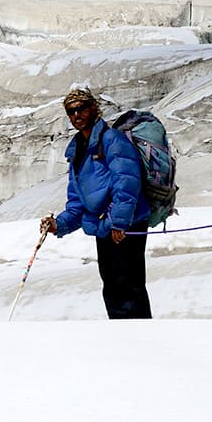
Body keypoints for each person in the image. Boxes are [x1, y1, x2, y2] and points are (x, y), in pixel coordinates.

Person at [39, 89, 152, 319]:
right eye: (72, 111)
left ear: (94, 108)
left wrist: (119, 223)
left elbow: (127, 183)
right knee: (113, 288)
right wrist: (58, 225)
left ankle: (142, 344)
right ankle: (124, 342)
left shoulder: (112, 140)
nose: (77, 114)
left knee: (129, 289)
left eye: (82, 108)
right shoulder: (78, 150)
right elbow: (78, 201)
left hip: (125, 225)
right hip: (105, 227)